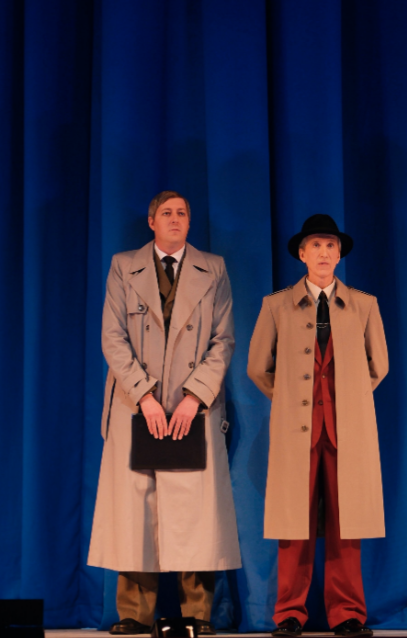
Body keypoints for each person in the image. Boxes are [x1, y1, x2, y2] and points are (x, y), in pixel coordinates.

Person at [88, 191, 241, 636]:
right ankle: (134, 614)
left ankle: (198, 613)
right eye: (167, 213)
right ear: (151, 221)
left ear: (190, 222)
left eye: (182, 213)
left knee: (195, 511)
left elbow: (223, 340)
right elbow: (112, 336)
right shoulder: (124, 266)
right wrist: (144, 395)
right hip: (136, 404)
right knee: (136, 507)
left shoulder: (213, 268)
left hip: (193, 406)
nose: (175, 219)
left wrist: (195, 397)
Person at [247, 214, 388, 638]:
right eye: (316, 246)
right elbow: (258, 367)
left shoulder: (363, 305)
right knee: (294, 525)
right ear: (302, 254)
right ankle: (289, 613)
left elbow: (378, 366)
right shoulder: (276, 305)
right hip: (297, 432)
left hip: (347, 431)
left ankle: (348, 613)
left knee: (348, 524)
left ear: (339, 255)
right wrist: (291, 398)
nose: (324, 253)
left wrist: (348, 398)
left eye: (330, 246)